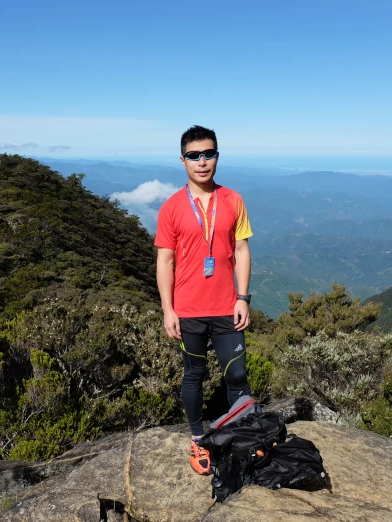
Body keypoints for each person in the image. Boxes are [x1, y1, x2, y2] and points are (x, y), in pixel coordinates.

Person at [154, 125, 253, 475]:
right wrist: (168, 309)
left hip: (227, 306)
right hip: (189, 310)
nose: (202, 162)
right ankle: (198, 438)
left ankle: (243, 436)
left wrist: (243, 298)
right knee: (194, 375)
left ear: (217, 156)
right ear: (183, 161)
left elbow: (241, 249)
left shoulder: (233, 200)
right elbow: (164, 261)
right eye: (194, 156)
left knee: (237, 375)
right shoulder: (171, 208)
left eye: (208, 154)